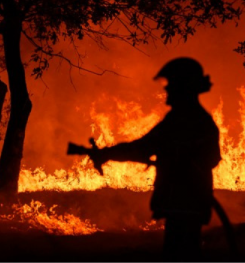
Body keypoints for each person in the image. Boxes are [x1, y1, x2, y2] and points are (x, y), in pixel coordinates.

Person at [72, 57, 221, 260]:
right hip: (189, 202)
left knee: (179, 253)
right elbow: (143, 148)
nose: (167, 89)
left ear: (183, 87)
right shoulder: (193, 119)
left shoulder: (184, 120)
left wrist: (107, 154)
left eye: (171, 84)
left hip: (185, 202)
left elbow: (142, 148)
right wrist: (107, 153)